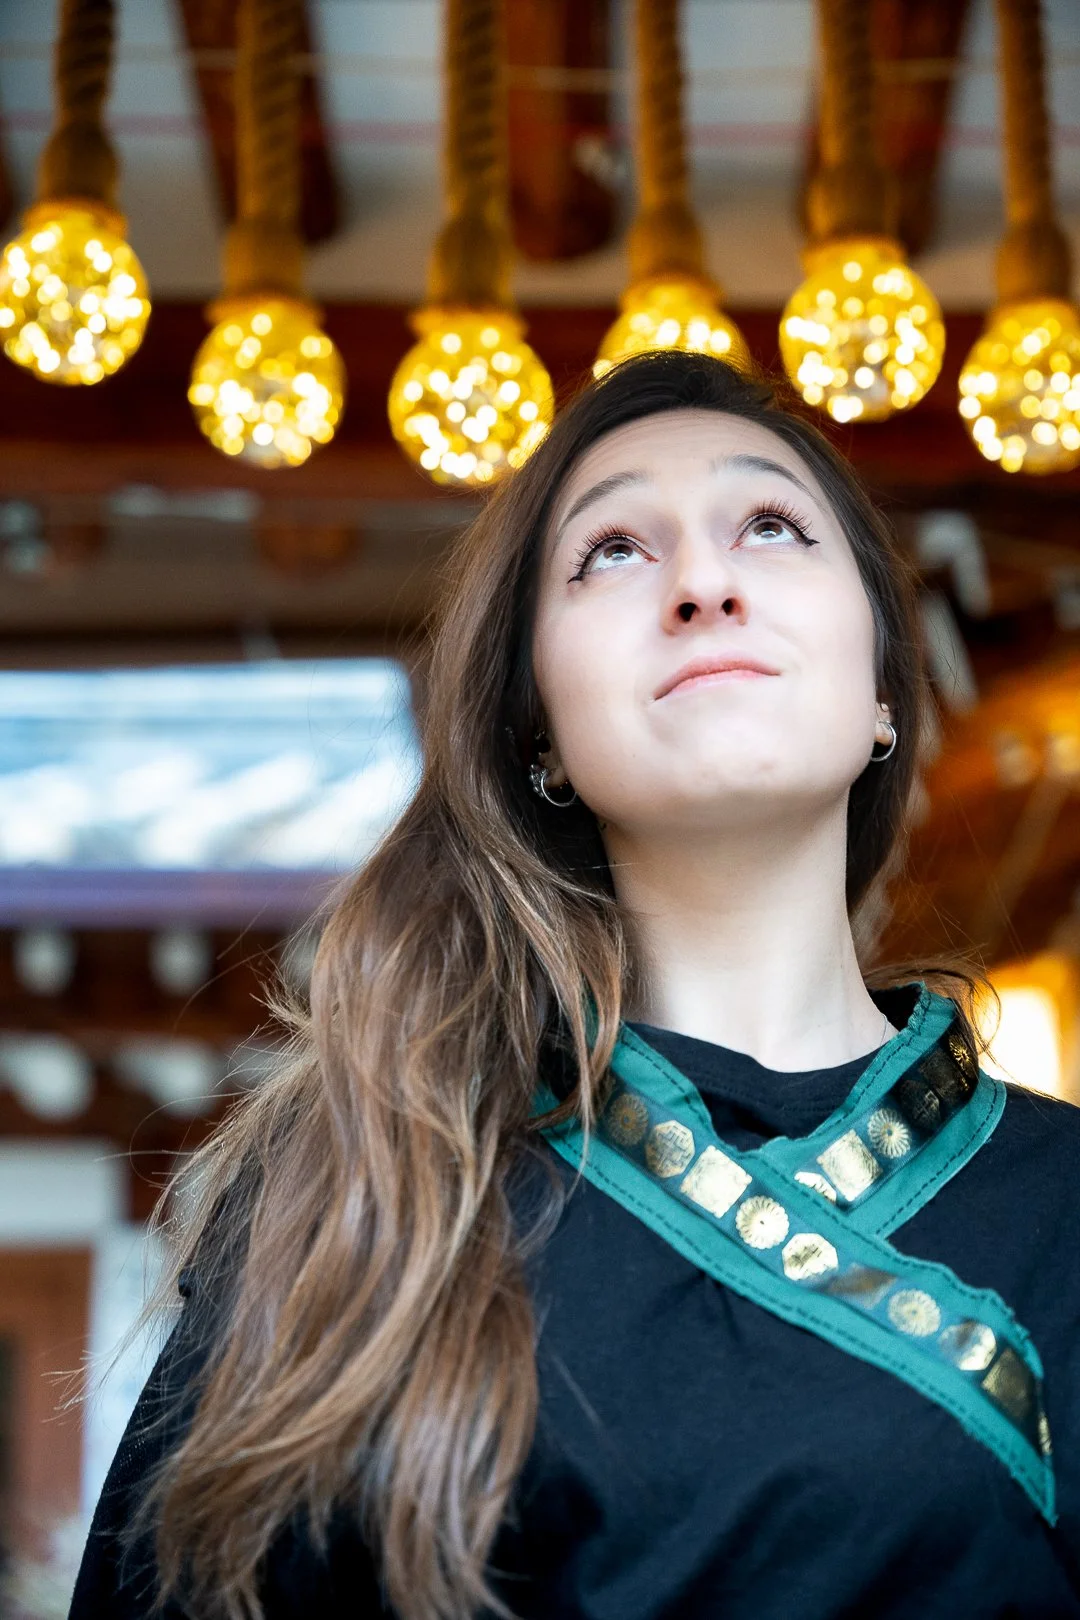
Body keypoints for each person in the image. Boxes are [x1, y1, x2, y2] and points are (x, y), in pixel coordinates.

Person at [69, 352, 1080, 1620]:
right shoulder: (348, 1199)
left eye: (770, 526)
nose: (704, 583)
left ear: (885, 690)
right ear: (538, 729)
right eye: (612, 551)